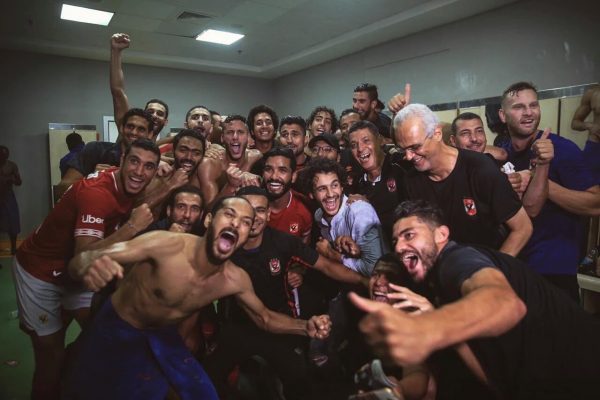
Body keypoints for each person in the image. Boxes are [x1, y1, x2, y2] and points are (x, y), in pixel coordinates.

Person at [64, 196, 331, 400]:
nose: (236, 224)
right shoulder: (165, 245)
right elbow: (78, 262)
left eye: (245, 222)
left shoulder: (234, 279)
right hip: (116, 329)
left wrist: (304, 327)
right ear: (208, 220)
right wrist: (90, 266)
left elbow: (265, 318)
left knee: (202, 394)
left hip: (163, 336)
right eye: (229, 214)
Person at [350, 199, 600, 399]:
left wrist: (425, 328)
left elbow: (504, 302)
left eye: (409, 235)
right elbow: (490, 372)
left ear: (441, 234)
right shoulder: (434, 288)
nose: (399, 247)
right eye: (395, 240)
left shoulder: (456, 259)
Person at [13, 139, 159, 400]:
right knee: (50, 355)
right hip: (40, 272)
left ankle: (72, 379)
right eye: (134, 161)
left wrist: (172, 184)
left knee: (103, 334)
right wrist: (132, 227)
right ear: (122, 159)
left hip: (74, 276)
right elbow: (83, 258)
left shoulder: (125, 184)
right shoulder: (96, 194)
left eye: (149, 166)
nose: (139, 172)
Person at [205, 187, 365, 399]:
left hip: (280, 324)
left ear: (268, 214)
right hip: (237, 326)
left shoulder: (282, 242)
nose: (254, 217)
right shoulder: (223, 246)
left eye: (260, 210)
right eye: (248, 210)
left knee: (300, 381)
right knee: (206, 380)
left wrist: (366, 281)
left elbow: (326, 266)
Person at [498, 81, 599, 300]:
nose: (528, 112)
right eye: (519, 107)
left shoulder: (561, 149)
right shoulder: (503, 153)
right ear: (503, 115)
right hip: (516, 266)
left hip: (554, 269)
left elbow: (595, 203)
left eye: (533, 105)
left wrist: (540, 181)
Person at [393, 103, 532, 257]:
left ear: (437, 134)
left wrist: (494, 268)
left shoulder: (480, 169)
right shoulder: (410, 181)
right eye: (403, 149)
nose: (409, 156)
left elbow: (522, 228)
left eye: (415, 147)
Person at [307, 158, 385, 276]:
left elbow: (374, 268)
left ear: (342, 187)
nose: (330, 194)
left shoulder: (359, 213)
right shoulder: (319, 216)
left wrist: (331, 254)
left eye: (334, 185)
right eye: (322, 189)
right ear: (311, 194)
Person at [57, 108, 155, 197]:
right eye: (130, 126)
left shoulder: (152, 164)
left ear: (150, 134)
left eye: (141, 129)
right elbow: (61, 189)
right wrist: (92, 178)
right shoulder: (95, 150)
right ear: (121, 128)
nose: (134, 132)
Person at [448, 112, 539, 202]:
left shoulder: (492, 163)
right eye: (465, 133)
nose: (474, 138)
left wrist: (515, 184)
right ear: (453, 141)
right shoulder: (448, 172)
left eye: (479, 131)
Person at [349, 120, 407, 246]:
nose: (360, 149)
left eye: (366, 141)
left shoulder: (402, 168)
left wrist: (368, 208)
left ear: (380, 140)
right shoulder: (356, 183)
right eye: (354, 145)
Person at [110, 33, 169, 140]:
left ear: (165, 122)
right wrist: (116, 51)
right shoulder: (129, 133)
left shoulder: (158, 149)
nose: (154, 115)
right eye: (150, 112)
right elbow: (118, 92)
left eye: (160, 114)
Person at [197, 115, 262, 209]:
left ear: (248, 137)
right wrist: (230, 186)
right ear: (222, 138)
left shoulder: (256, 156)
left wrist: (258, 179)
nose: (235, 137)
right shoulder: (210, 164)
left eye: (240, 132)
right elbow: (208, 210)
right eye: (230, 132)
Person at [261, 148, 312, 243]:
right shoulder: (251, 204)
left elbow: (303, 249)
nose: (274, 176)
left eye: (282, 170)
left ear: (293, 176)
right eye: (268, 169)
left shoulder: (304, 212)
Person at [571, 84, 600, 181]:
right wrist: (590, 126)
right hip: (595, 148)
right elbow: (575, 123)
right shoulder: (593, 93)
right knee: (588, 184)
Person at [0, 145, 22, 255]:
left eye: (6, 155)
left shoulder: (12, 165)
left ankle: (13, 248)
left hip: (8, 196)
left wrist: (12, 179)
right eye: (2, 155)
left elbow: (19, 182)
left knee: (13, 222)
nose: (4, 157)